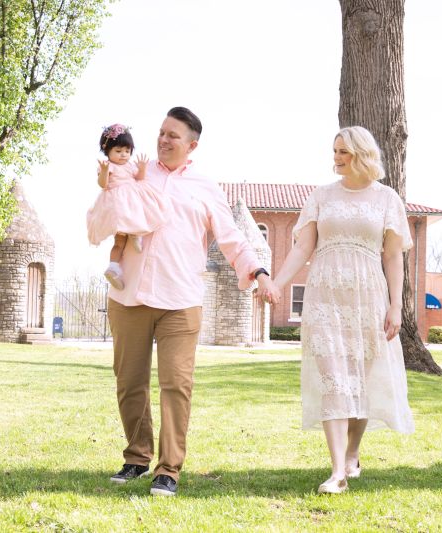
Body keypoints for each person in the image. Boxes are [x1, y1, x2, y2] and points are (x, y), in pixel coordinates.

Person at [104, 106, 275, 497]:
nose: (163, 140)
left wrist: (259, 272)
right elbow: (109, 200)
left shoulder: (205, 187)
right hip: (129, 296)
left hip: (180, 300)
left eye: (173, 136)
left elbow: (231, 237)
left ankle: (168, 469)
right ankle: (137, 457)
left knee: (176, 385)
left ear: (191, 145)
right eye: (161, 132)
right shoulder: (135, 172)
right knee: (129, 382)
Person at [263, 126, 415, 494]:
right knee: (333, 378)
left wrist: (396, 306)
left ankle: (352, 452)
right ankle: (337, 473)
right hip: (324, 297)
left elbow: (393, 257)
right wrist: (278, 283)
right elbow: (303, 248)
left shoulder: (387, 199)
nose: (336, 158)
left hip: (368, 298)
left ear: (362, 154)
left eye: (343, 151)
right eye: (334, 151)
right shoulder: (321, 196)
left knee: (359, 378)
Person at [86, 124, 170, 290]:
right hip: (118, 201)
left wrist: (142, 168)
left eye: (127, 151)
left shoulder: (130, 165)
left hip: (128, 199)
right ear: (107, 151)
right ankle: (132, 238)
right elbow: (103, 184)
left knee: (121, 239)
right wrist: (104, 171)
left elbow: (139, 178)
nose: (123, 154)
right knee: (129, 223)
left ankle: (114, 265)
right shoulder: (108, 166)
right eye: (118, 151)